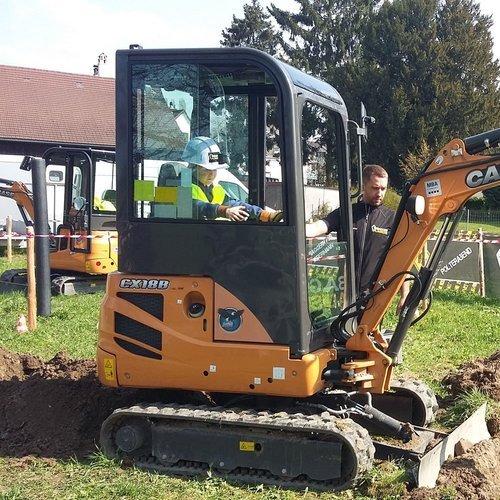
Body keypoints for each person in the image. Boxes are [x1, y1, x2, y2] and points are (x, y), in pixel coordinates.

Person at [306, 164, 408, 312]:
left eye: (383, 189)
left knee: (365, 334)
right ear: (364, 186)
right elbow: (320, 226)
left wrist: (404, 295)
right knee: (341, 333)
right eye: (375, 188)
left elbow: (401, 259)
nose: (379, 193)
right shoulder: (347, 213)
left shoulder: (391, 219)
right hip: (344, 292)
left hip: (374, 295)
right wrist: (294, 227)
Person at [181, 136, 281, 222]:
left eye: (215, 169)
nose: (211, 174)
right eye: (206, 169)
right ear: (192, 167)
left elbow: (235, 204)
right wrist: (224, 211)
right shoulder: (179, 186)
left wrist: (262, 214)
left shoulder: (215, 189)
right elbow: (196, 206)